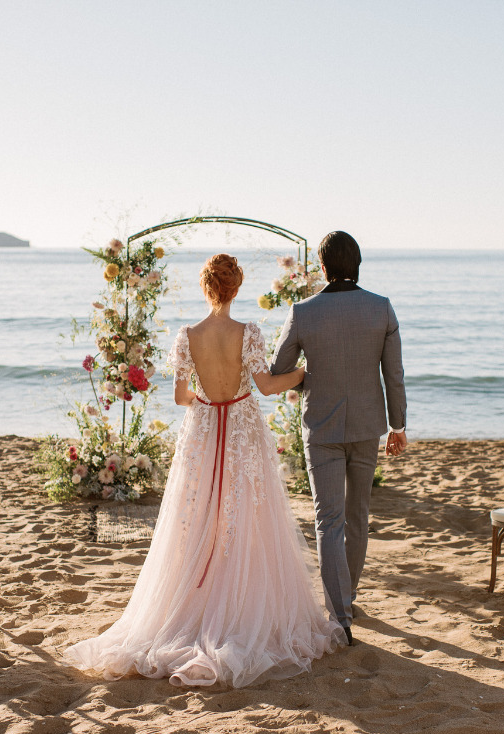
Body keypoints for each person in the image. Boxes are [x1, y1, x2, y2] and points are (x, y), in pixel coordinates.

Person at [64, 253, 345, 687]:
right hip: (242, 429)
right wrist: (308, 371)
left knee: (197, 516)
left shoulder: (187, 335)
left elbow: (180, 396)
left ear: (206, 288)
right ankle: (237, 606)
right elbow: (268, 386)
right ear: (235, 289)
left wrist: (204, 402)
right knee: (247, 515)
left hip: (204, 428)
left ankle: (193, 602)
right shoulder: (248, 332)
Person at [270, 231, 407, 645]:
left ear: (324, 267)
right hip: (368, 427)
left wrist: (311, 375)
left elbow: (279, 370)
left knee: (327, 520)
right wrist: (398, 426)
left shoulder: (303, 311)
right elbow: (394, 374)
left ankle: (340, 615)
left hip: (322, 428)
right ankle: (347, 596)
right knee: (357, 516)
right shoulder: (381, 308)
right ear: (358, 265)